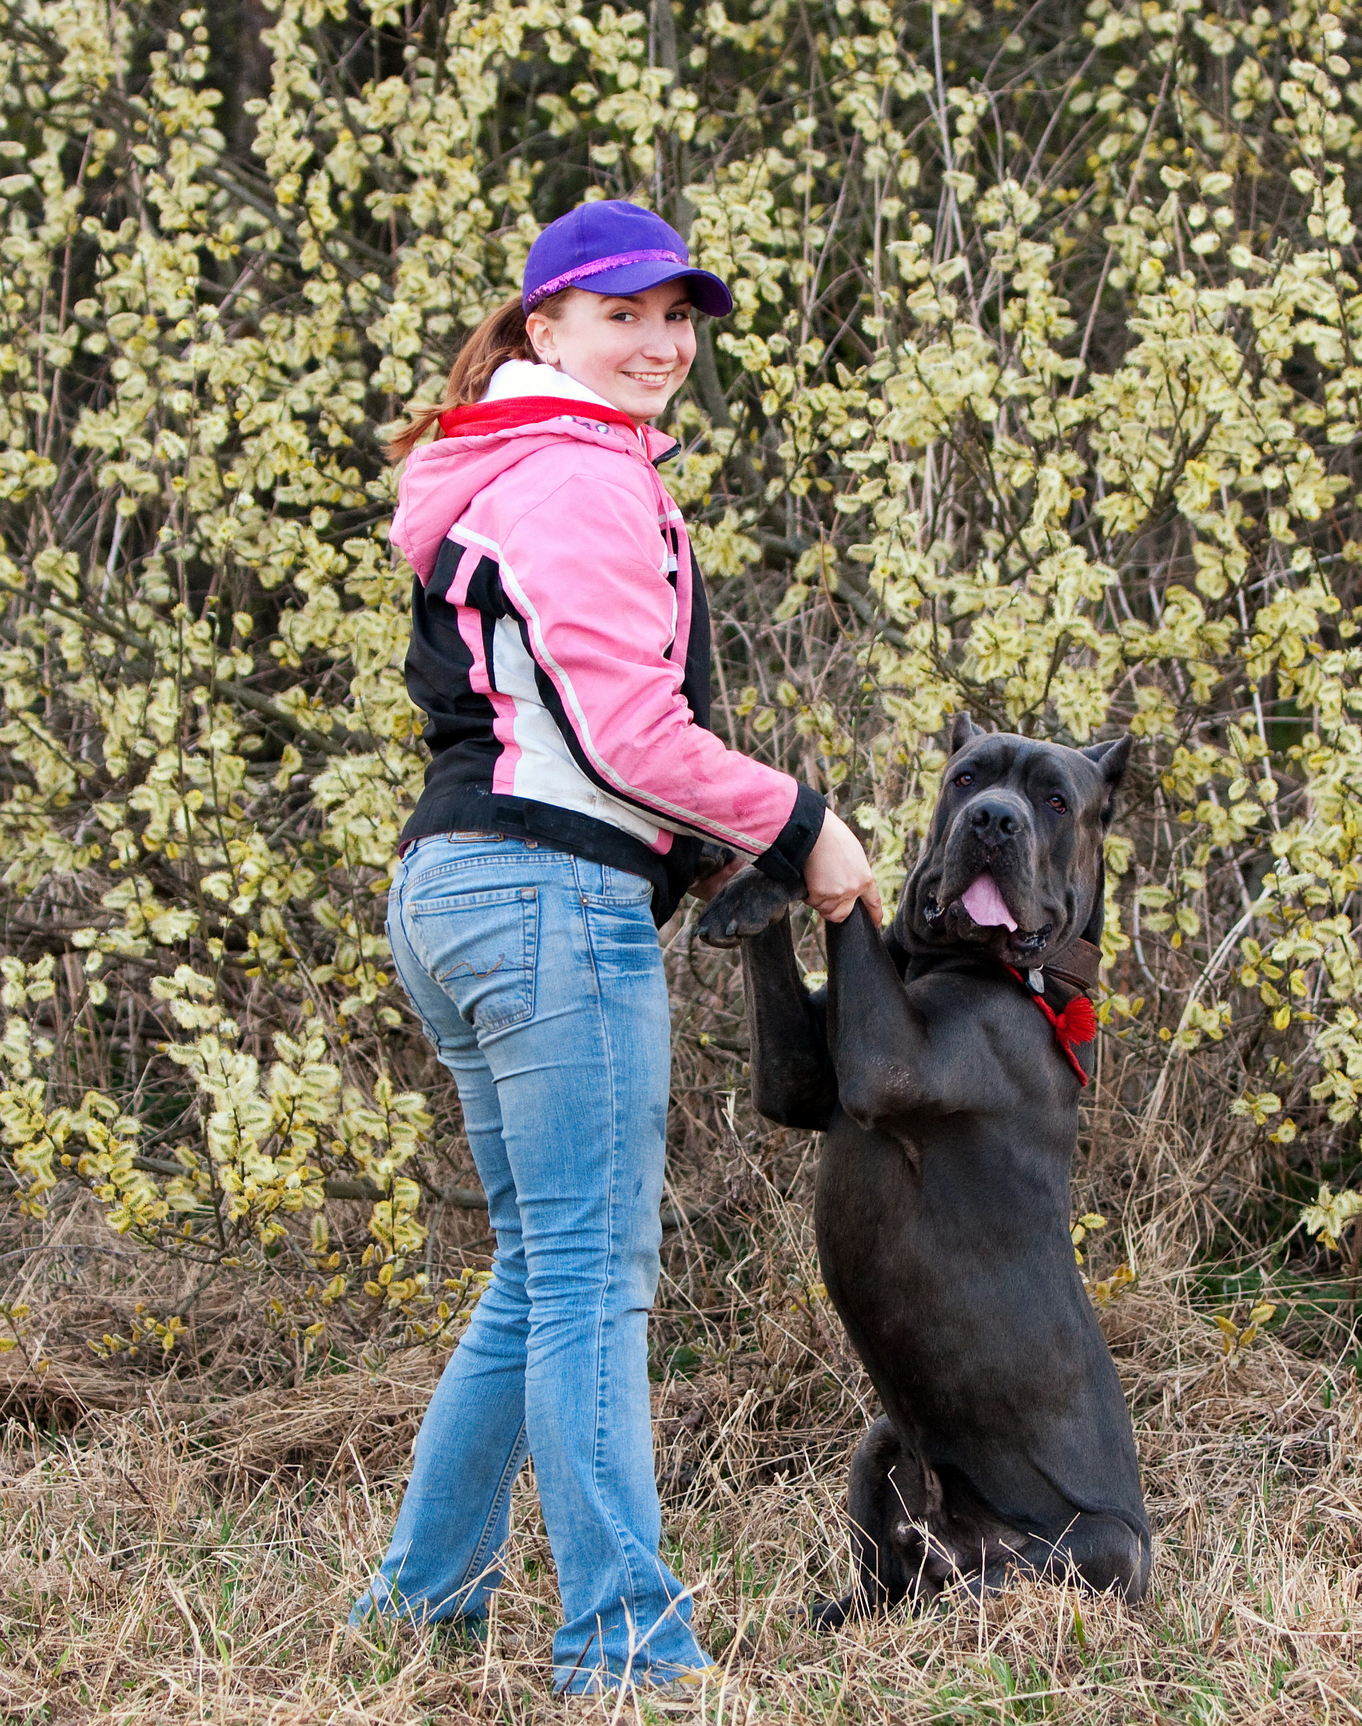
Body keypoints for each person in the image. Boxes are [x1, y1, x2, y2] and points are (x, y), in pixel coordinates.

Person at [348, 198, 879, 1695]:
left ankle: (419, 1603)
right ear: (542, 329)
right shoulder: (573, 482)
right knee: (590, 1277)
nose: (658, 342)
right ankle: (627, 1647)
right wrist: (801, 826)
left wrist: (709, 836)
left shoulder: (513, 467)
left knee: (539, 1270)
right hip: (542, 899)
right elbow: (633, 731)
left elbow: (580, 725)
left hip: (462, 885)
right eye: (620, 314)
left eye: (677, 317)